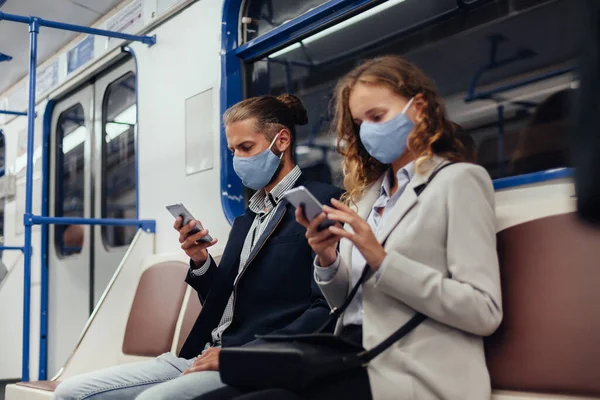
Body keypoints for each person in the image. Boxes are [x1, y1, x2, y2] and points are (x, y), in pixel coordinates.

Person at [198, 55, 502, 400]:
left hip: (411, 368)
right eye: (359, 123)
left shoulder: (459, 181)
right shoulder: (367, 196)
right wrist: (327, 259)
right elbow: (345, 302)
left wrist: (381, 259)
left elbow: (483, 311)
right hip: (346, 356)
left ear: (418, 108)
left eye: (378, 117)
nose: (368, 130)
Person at [53, 94, 343, 400]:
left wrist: (243, 356)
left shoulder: (322, 203)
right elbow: (220, 303)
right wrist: (200, 259)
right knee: (72, 392)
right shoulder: (248, 218)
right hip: (204, 353)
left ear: (281, 141)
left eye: (246, 148)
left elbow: (323, 306)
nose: (239, 160)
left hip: (256, 358)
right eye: (233, 151)